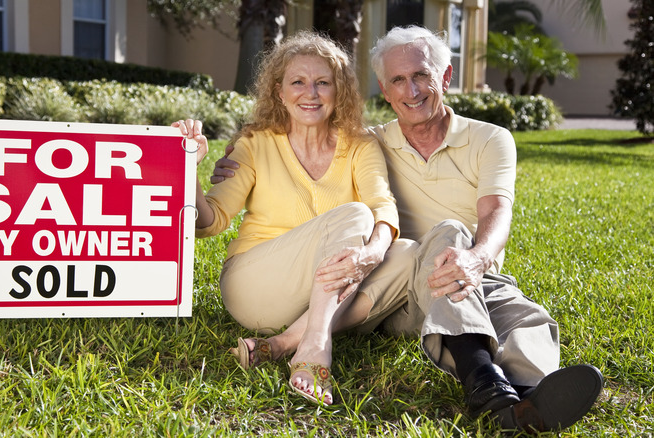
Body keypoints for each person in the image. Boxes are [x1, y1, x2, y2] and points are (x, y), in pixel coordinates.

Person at [211, 26, 603, 433]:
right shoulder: (372, 141)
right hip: (400, 289)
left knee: (528, 320)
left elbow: (496, 211)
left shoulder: (490, 139)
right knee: (444, 234)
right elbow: (321, 155)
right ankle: (492, 390)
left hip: (471, 271)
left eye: (421, 75)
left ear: (445, 77)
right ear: (384, 89)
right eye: (398, 80)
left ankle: (524, 397)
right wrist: (219, 162)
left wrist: (477, 258)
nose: (410, 90)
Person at [174, 31, 417, 405]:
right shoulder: (254, 145)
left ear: (339, 91)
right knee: (355, 214)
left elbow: (383, 206)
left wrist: (372, 253)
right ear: (278, 92)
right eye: (298, 82)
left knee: (407, 254)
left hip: (320, 292)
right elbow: (210, 222)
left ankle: (286, 342)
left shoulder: (360, 144)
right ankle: (317, 344)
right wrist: (187, 168)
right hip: (255, 285)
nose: (311, 93)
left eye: (323, 83)